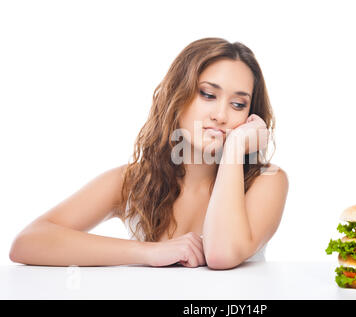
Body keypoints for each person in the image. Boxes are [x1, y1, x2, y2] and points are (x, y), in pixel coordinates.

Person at [9, 37, 289, 270]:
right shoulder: (133, 180)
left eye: (238, 104)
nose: (221, 115)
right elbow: (28, 243)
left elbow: (221, 255)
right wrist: (148, 252)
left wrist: (235, 150)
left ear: (251, 116)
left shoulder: (267, 182)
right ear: (177, 97)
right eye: (207, 94)